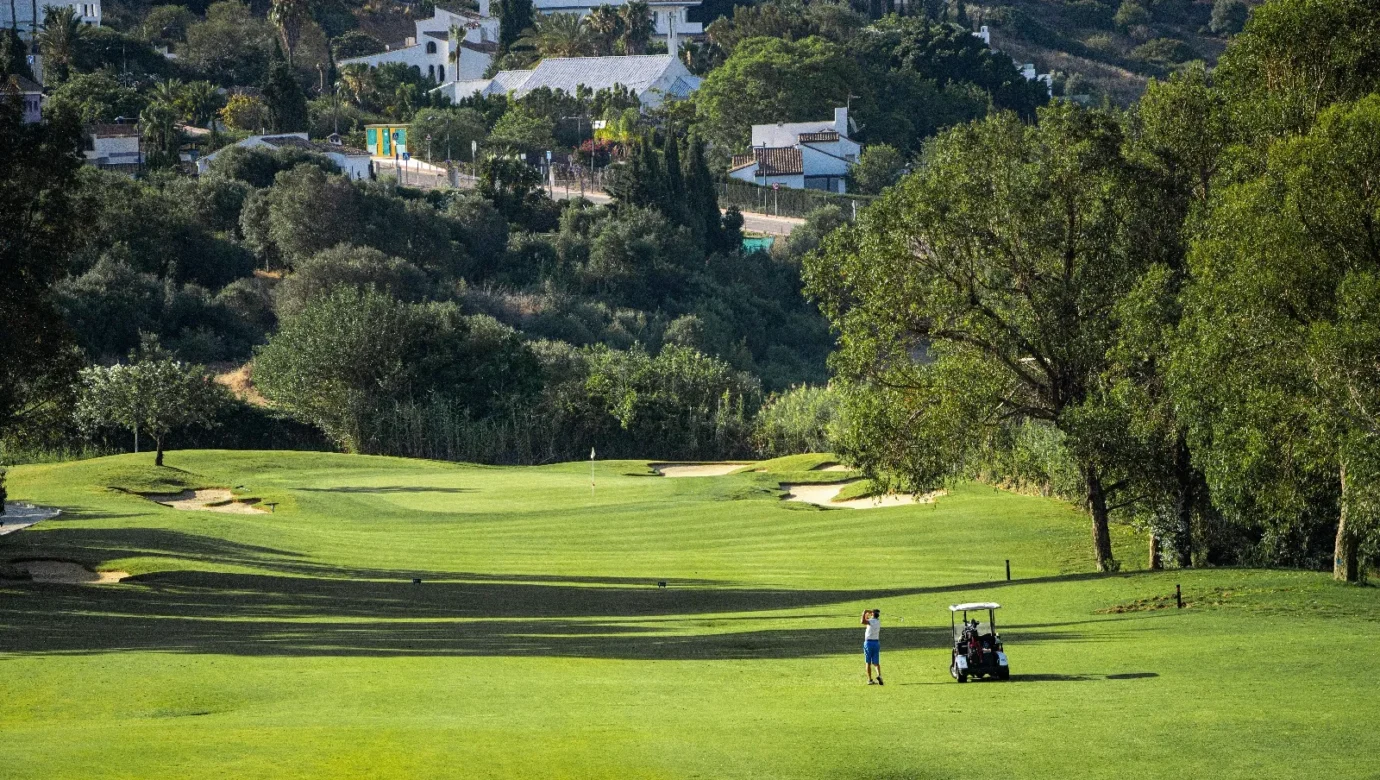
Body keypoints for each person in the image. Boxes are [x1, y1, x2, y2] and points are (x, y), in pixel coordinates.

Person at [861, 608, 883, 685]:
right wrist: (867, 614)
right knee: (876, 662)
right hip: (876, 643)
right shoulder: (878, 621)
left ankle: (870, 680)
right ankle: (879, 675)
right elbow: (867, 622)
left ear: (873, 614)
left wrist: (864, 612)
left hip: (868, 643)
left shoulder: (871, 621)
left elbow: (862, 621)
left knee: (868, 662)